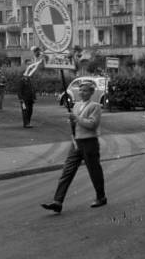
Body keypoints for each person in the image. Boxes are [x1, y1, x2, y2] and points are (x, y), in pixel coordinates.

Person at [41, 81, 106, 213]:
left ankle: (101, 197)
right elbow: (77, 123)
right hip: (76, 143)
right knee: (67, 171)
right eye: (80, 90)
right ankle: (57, 201)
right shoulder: (76, 105)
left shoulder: (95, 106)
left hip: (90, 143)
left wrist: (76, 118)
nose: (82, 92)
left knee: (94, 172)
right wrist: (72, 121)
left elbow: (92, 125)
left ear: (92, 92)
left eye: (85, 90)